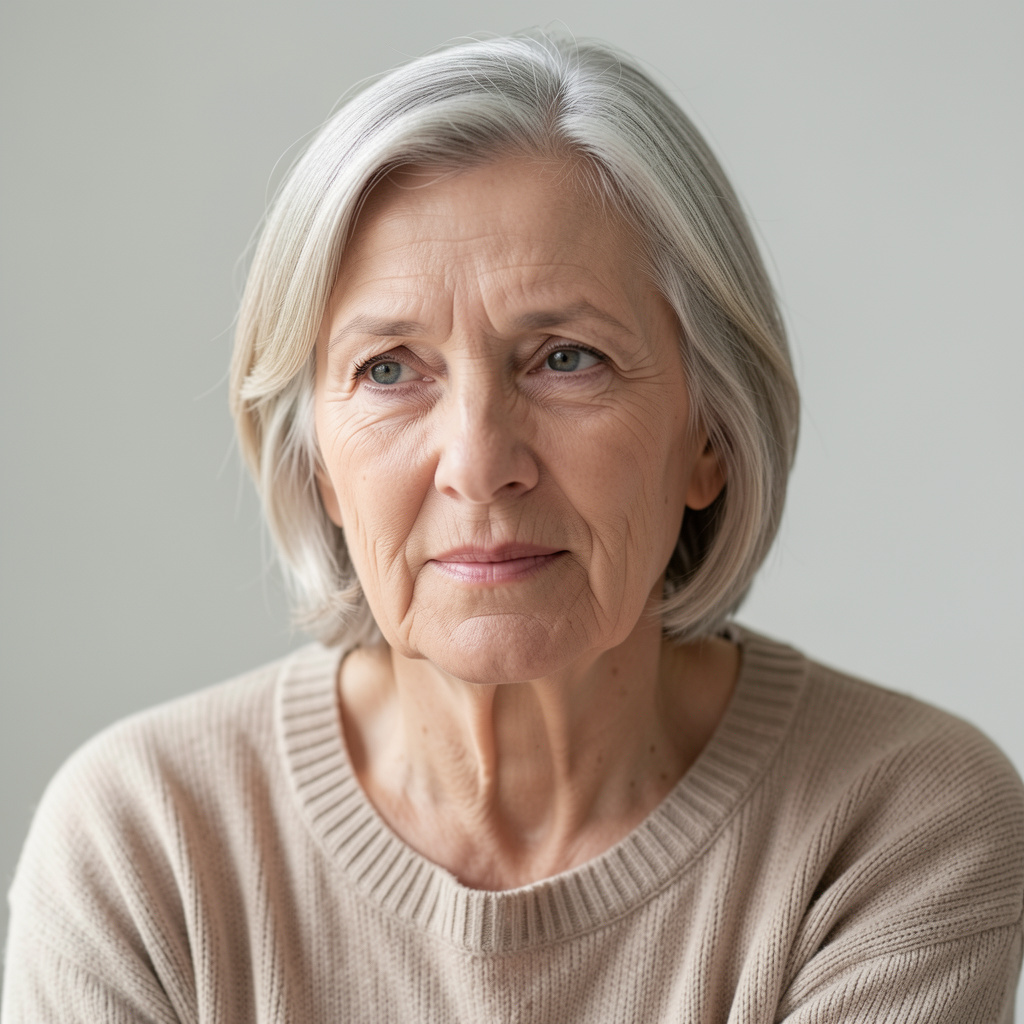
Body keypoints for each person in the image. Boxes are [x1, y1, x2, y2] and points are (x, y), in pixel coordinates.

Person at [3, 30, 1022, 1023]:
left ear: (707, 433)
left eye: (565, 358)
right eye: (390, 369)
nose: (480, 463)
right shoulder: (146, 840)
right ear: (316, 461)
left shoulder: (894, 823)